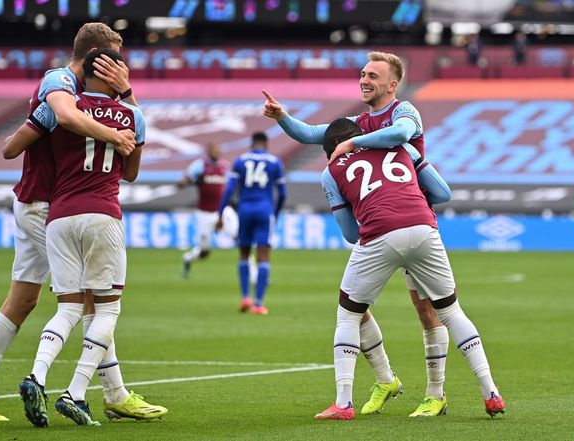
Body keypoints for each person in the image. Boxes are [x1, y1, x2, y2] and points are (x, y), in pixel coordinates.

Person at [0, 22, 148, 423]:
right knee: (92, 302)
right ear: (99, 55)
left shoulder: (79, 95)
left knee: (24, 300)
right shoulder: (60, 81)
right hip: (48, 203)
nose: (121, 57)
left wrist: (38, 127)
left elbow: (11, 147)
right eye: (117, 50)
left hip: (41, 203)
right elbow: (67, 115)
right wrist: (117, 136)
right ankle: (111, 393)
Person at [263, 51, 450, 417]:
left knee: (427, 311)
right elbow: (314, 135)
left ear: (392, 85)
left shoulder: (404, 111)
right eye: (362, 74)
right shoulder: (357, 121)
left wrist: (353, 143)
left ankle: (435, 394)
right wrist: (283, 117)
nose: (364, 80)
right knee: (353, 305)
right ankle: (385, 379)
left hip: (415, 220)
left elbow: (401, 135)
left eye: (373, 76)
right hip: (378, 225)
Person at [6, 48, 166, 427]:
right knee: (107, 308)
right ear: (113, 73)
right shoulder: (133, 116)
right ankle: (75, 393)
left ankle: (37, 376)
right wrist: (126, 102)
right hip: (102, 213)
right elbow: (130, 173)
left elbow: (12, 147)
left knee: (69, 307)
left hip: (58, 216)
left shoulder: (64, 107)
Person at [314, 118, 505, 420]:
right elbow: (443, 193)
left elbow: (350, 234)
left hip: (380, 234)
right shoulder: (400, 145)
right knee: (452, 312)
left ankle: (343, 402)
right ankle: (491, 392)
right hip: (423, 227)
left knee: (349, 313)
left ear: (330, 151)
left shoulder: (331, 171)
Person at [216, 132, 286, 315]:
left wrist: (220, 214)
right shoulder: (274, 161)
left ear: (251, 144)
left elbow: (229, 189)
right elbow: (283, 193)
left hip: (245, 210)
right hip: (265, 210)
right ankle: (258, 304)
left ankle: (245, 296)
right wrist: (275, 213)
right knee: (263, 255)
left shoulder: (240, 160)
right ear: (266, 144)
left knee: (244, 253)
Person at [178, 141, 237, 278]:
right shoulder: (199, 166)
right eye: (214, 150)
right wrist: (187, 181)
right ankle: (188, 258)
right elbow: (184, 180)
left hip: (224, 210)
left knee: (241, 239)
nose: (217, 152)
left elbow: (231, 185)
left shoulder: (225, 167)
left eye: (218, 150)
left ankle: (255, 275)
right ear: (208, 151)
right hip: (205, 213)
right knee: (204, 252)